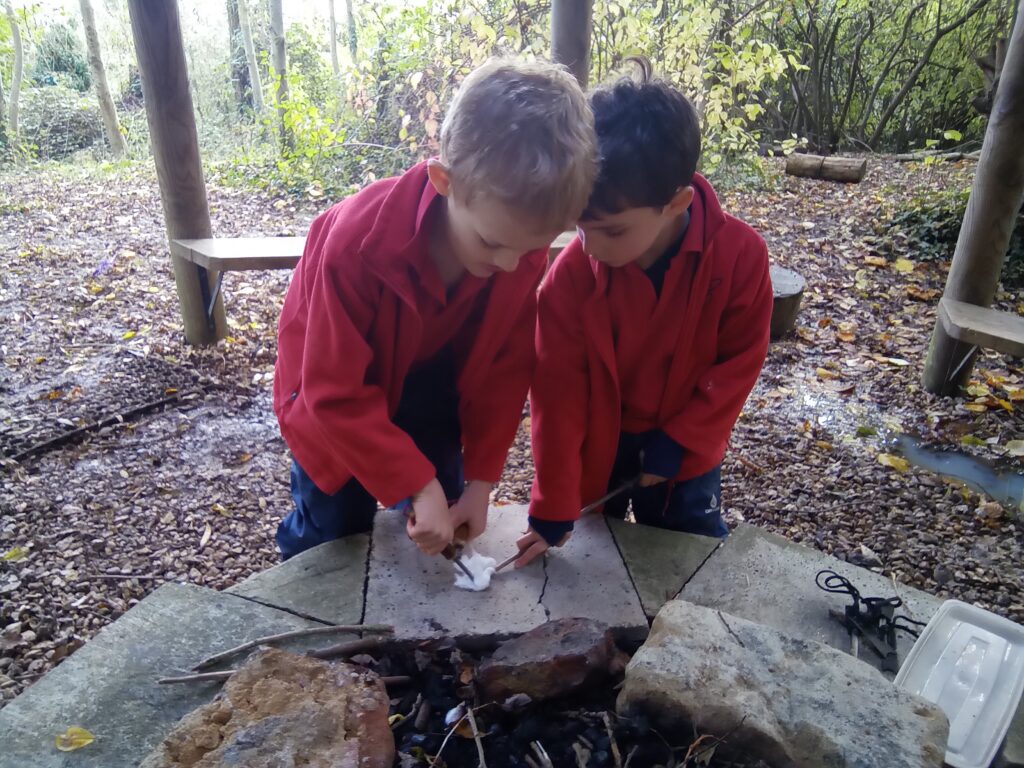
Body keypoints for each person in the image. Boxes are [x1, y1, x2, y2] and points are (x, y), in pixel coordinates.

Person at [273, 58, 597, 561]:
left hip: (434, 382)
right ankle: (300, 592)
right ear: (445, 182)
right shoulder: (357, 244)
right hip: (333, 394)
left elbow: (505, 368)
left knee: (442, 514)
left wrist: (480, 481)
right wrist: (413, 483)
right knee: (333, 529)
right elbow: (331, 391)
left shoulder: (512, 247)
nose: (512, 265)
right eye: (493, 244)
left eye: (530, 250)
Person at [517, 59, 772, 567]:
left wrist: (684, 440)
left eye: (611, 231)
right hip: (601, 443)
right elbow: (557, 395)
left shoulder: (740, 257)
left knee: (687, 552)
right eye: (581, 228)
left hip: (684, 451)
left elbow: (740, 361)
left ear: (676, 203)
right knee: (596, 555)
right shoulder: (569, 279)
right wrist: (553, 502)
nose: (589, 248)